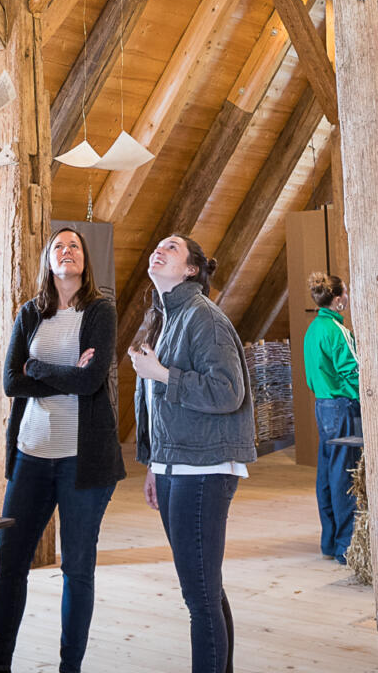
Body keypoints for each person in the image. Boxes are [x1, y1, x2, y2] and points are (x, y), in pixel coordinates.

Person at [0, 227, 125, 673]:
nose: (67, 251)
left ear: (85, 260)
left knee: (77, 571)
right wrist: (63, 373)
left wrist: (38, 366)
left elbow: (90, 380)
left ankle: (69, 668)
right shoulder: (30, 314)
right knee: (8, 565)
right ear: (48, 259)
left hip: (83, 460)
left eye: (74, 245)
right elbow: (10, 382)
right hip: (31, 455)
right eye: (58, 246)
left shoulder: (100, 311)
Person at [127, 234, 255, 673]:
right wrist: (154, 465)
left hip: (204, 468)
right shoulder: (164, 318)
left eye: (172, 248)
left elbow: (228, 391)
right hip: (175, 465)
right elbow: (159, 408)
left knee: (198, 598)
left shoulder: (204, 318)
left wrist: (161, 374)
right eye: (157, 245)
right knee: (206, 590)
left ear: (191, 270)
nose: (158, 249)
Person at [304, 272, 361, 564]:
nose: (347, 298)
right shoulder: (337, 330)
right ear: (338, 299)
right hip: (341, 405)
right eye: (346, 293)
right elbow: (352, 369)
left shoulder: (313, 329)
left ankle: (329, 541)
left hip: (322, 405)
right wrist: (367, 397)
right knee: (345, 476)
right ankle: (346, 546)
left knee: (327, 473)